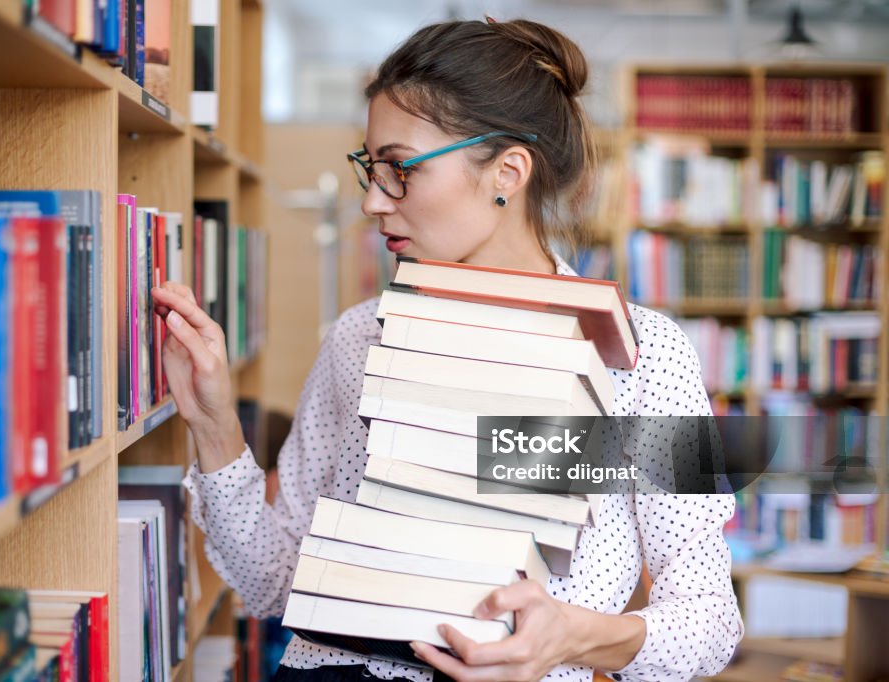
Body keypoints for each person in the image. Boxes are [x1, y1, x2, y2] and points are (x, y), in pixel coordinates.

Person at [151, 17, 744, 682]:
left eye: (400, 168)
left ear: (507, 172)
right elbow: (271, 583)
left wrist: (571, 637)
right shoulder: (359, 336)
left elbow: (710, 619)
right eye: (369, 169)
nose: (375, 201)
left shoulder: (649, 358)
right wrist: (214, 425)